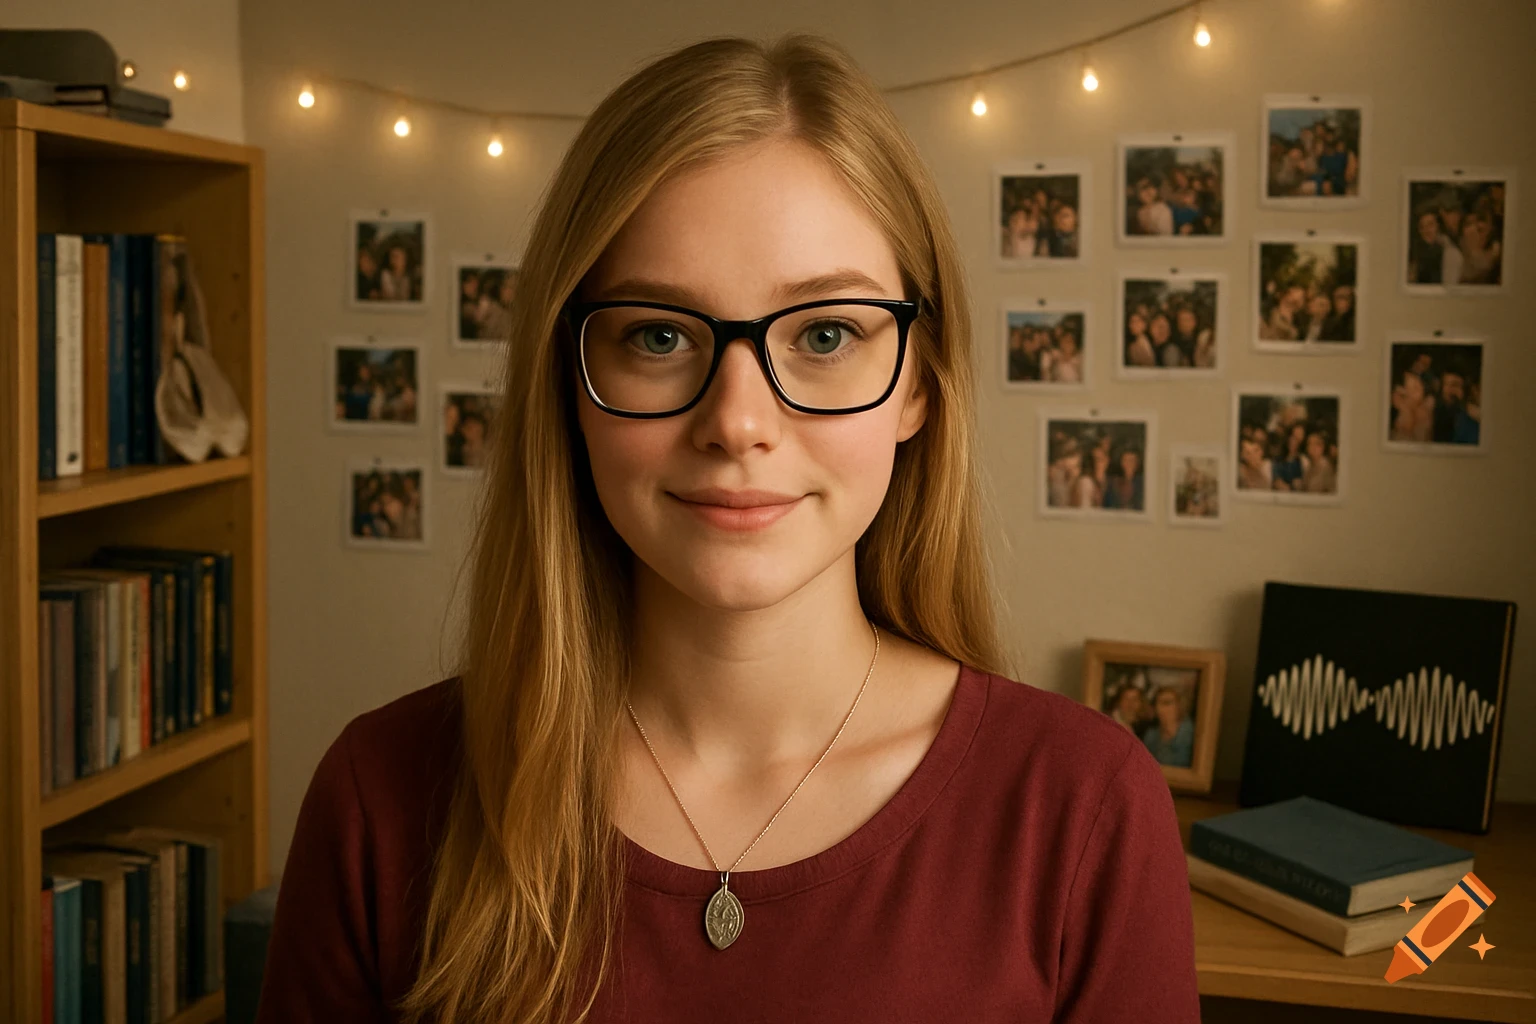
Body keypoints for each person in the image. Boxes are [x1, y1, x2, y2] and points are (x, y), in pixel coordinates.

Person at [255, 35, 1199, 1024]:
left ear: (918, 380)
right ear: (569, 382)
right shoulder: (383, 797)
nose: (739, 422)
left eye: (825, 335)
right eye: (658, 336)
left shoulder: (1082, 807)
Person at [1142, 688, 1194, 767]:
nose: (1161, 709)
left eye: (1167, 703)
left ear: (1179, 705)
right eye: (1158, 703)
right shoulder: (1151, 735)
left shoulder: (1190, 731)